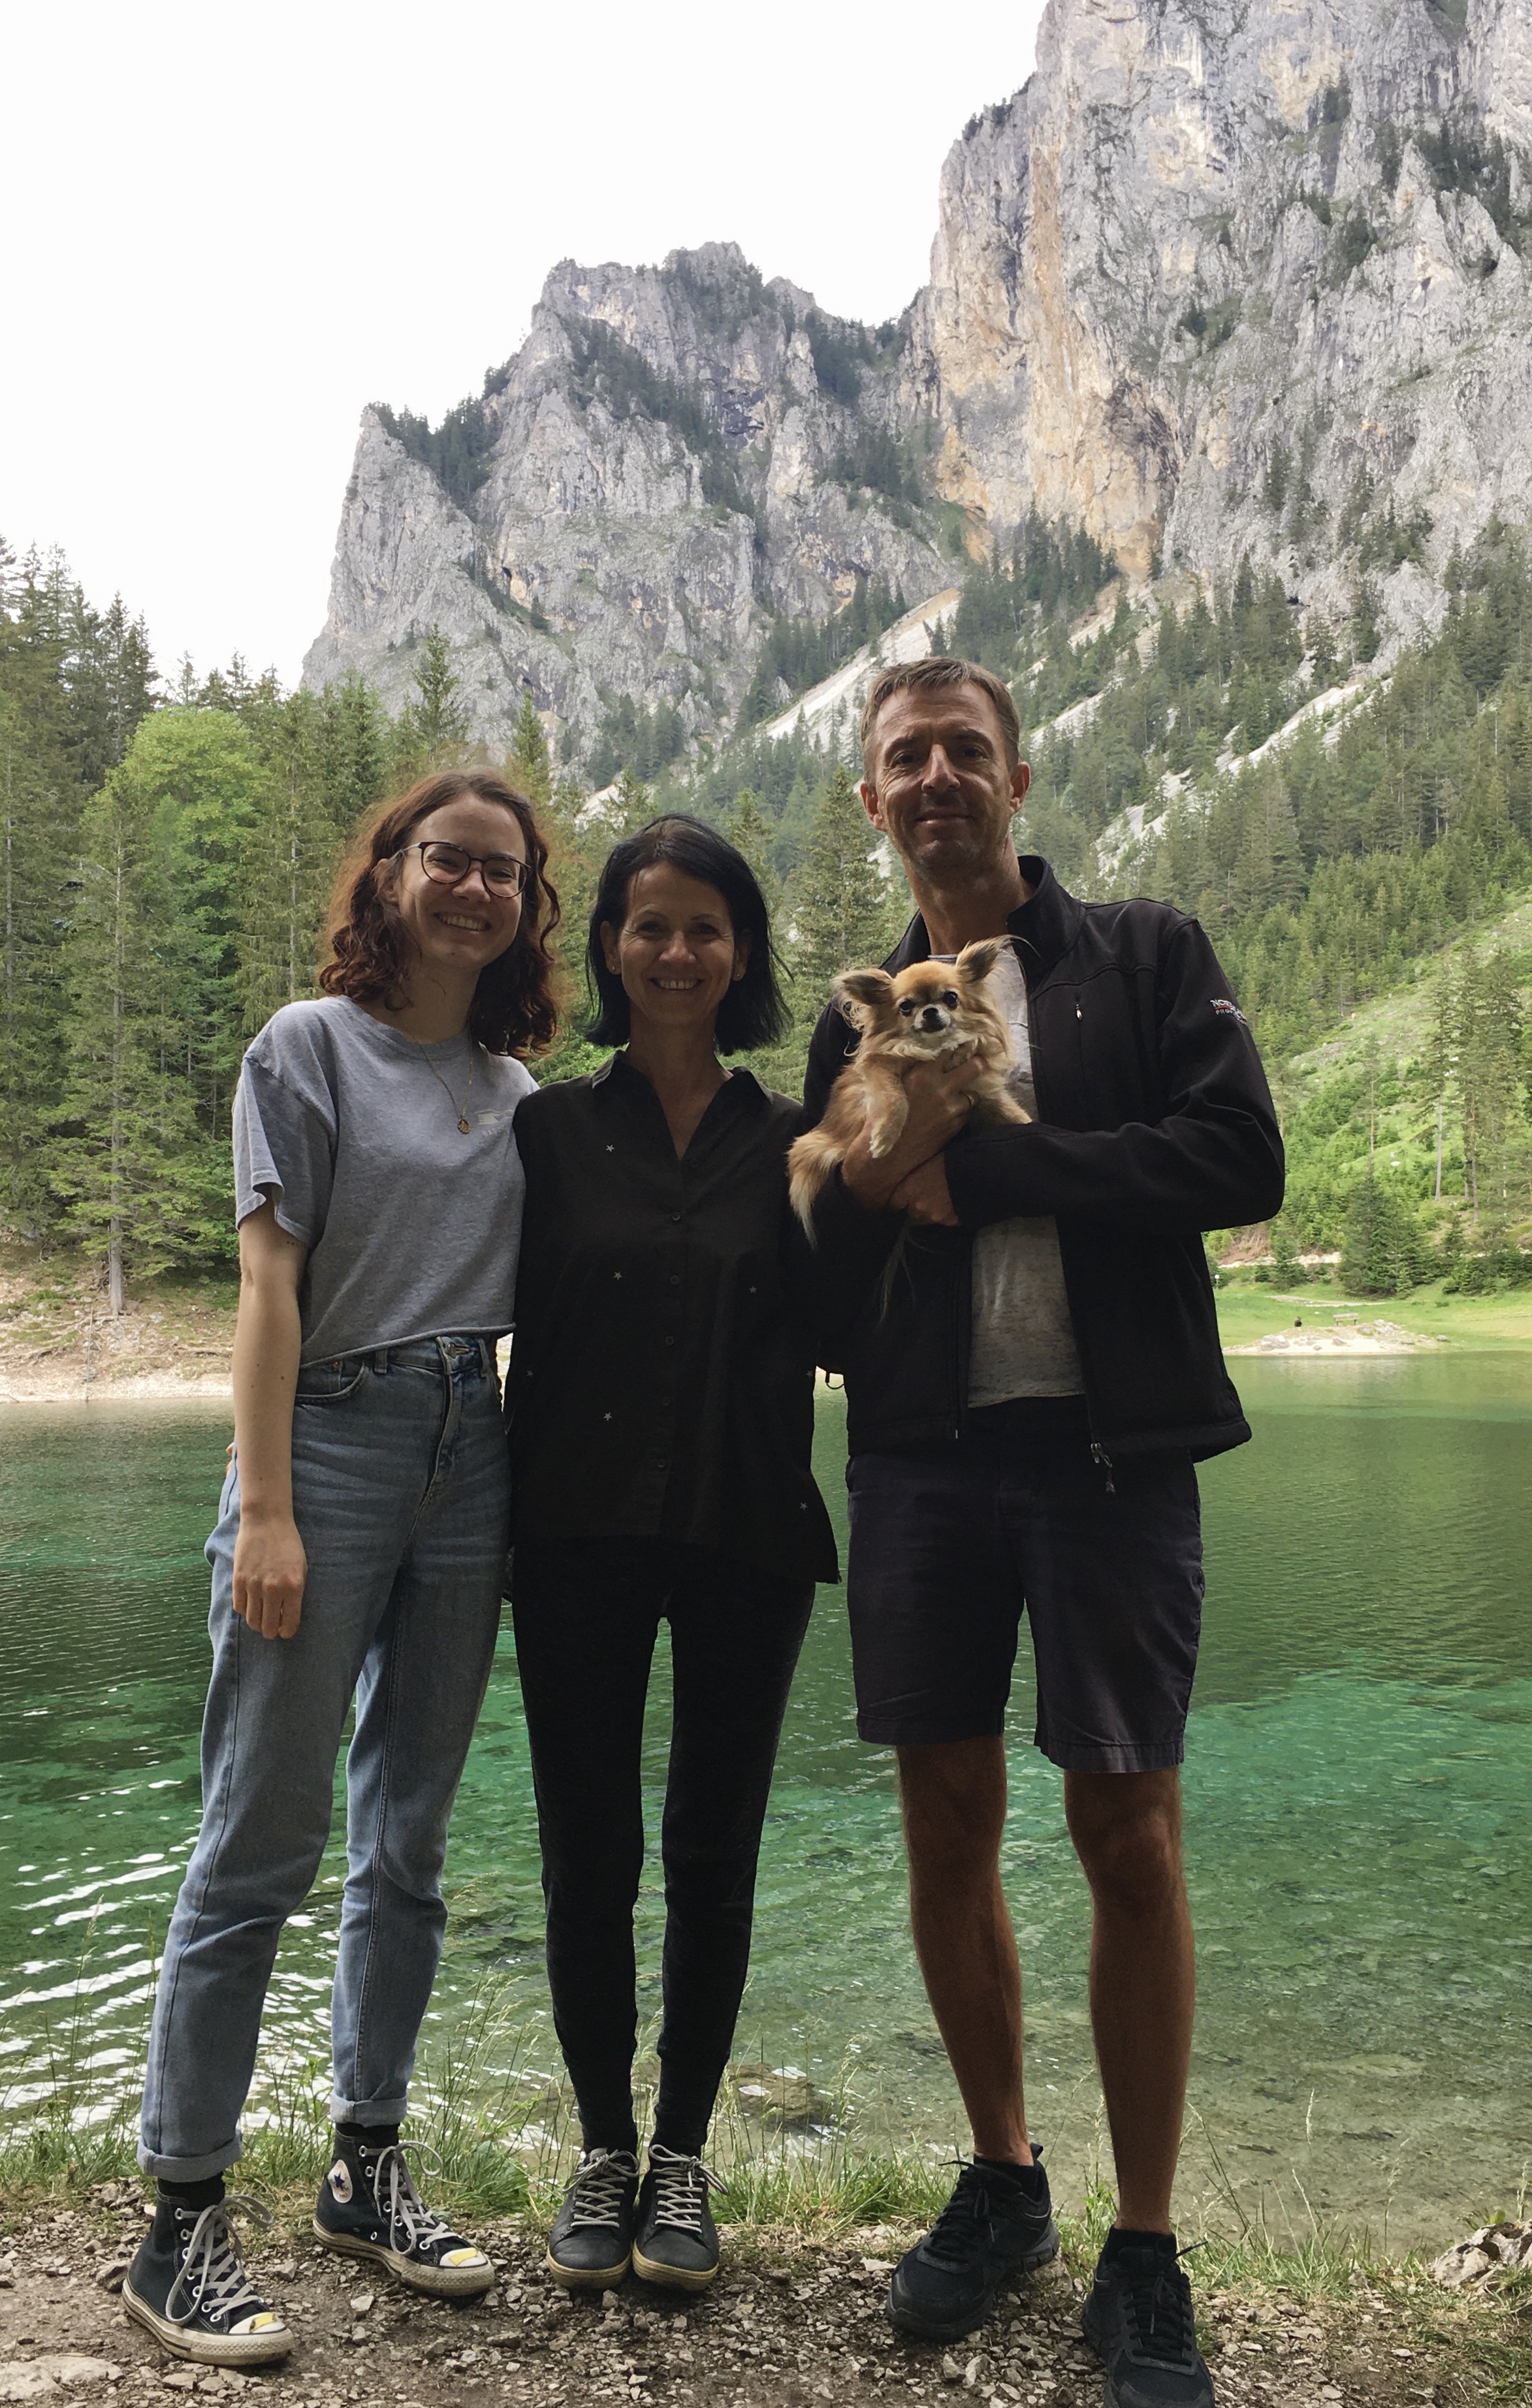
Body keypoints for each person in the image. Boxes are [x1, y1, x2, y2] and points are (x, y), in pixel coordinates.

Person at [801, 656, 1285, 2404]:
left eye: (964, 749)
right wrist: (870, 1189)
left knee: (1128, 1832)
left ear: (1015, 777)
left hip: (1112, 1454)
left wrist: (1002, 1167)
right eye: (904, 756)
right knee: (944, 1822)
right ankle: (1005, 2177)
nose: (935, 776)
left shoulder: (1141, 956)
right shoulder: (858, 1016)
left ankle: (1142, 2248)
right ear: (872, 798)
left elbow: (1237, 1159)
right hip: (922, 1461)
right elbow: (823, 1286)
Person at [126, 770, 559, 2368]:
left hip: (473, 1450)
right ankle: (180, 2217)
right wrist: (270, 1507)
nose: (474, 886)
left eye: (504, 870)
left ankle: (365, 2163)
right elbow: (268, 1289)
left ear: (526, 905)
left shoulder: (517, 1090)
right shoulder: (306, 1046)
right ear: (388, 874)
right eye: (447, 857)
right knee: (259, 1840)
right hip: (333, 1441)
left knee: (410, 1841)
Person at [505, 816, 847, 2297]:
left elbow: (852, 1320)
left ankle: (684, 2154)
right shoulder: (547, 1133)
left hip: (746, 1527)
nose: (677, 950)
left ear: (742, 952)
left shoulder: (797, 1140)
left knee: (715, 1851)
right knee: (589, 1849)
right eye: (650, 923)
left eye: (706, 926)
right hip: (571, 1529)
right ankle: (602, 2144)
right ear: (609, 946)